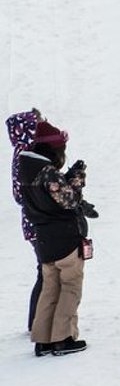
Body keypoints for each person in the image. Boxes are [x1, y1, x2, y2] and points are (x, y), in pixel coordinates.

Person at [19, 117, 89, 356]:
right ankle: (63, 338)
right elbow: (69, 201)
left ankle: (43, 340)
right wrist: (77, 180)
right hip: (65, 237)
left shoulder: (26, 171)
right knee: (70, 287)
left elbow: (51, 198)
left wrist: (66, 179)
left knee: (50, 288)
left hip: (43, 238)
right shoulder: (47, 172)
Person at [8, 109, 46, 332]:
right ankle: (36, 321)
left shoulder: (25, 152)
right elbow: (21, 193)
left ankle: (36, 320)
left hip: (34, 220)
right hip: (37, 220)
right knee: (46, 272)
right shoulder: (26, 155)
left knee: (45, 271)